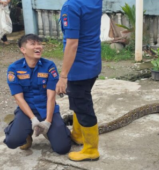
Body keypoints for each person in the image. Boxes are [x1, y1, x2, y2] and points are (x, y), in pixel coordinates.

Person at [3, 34, 71, 154]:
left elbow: (51, 97)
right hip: (26, 111)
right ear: (23, 49)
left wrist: (48, 122)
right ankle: (25, 131)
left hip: (47, 110)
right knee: (12, 141)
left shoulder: (49, 66)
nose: (38, 47)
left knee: (62, 148)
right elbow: (19, 98)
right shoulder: (14, 69)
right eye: (33, 44)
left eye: (39, 44)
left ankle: (50, 130)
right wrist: (33, 119)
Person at [56, 0, 102, 161]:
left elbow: (72, 44)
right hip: (93, 63)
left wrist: (63, 76)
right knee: (78, 101)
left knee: (83, 107)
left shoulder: (71, 6)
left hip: (79, 67)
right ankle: (78, 135)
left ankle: (90, 149)